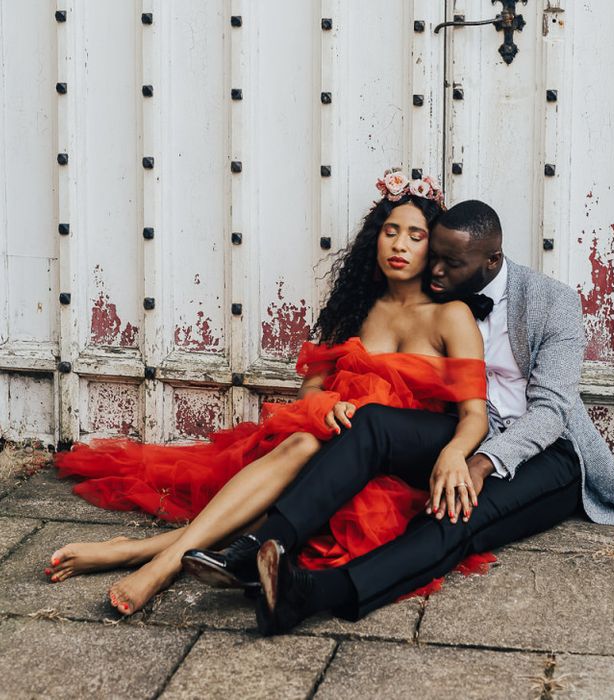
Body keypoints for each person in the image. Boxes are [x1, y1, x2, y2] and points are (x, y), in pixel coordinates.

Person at [187, 199, 614, 634]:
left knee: (454, 514)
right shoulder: (444, 295)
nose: (437, 270)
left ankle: (306, 596)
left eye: (451, 263)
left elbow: (551, 414)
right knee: (373, 424)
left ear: (491, 261)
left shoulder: (553, 302)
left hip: (549, 454)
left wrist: (478, 462)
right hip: (473, 428)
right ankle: (257, 548)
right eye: (436, 257)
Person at [47, 171, 489, 615]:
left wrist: (455, 455)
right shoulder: (356, 307)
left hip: (398, 463)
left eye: (415, 236)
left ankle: (148, 556)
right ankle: (159, 558)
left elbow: (475, 415)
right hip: (330, 437)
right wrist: (324, 405)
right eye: (390, 232)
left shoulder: (450, 316)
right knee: (302, 442)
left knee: (307, 458)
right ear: (375, 239)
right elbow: (312, 386)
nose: (399, 245)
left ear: (433, 248)